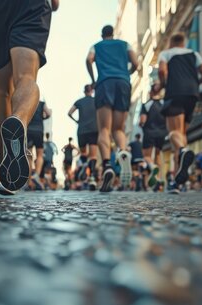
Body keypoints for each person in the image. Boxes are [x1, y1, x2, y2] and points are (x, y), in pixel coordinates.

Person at [0, 0, 59, 196]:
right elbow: (55, 3)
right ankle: (19, 120)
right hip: (31, 6)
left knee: (2, 92)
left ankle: (7, 169)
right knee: (26, 77)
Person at [156, 33, 202, 194]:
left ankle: (182, 151)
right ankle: (177, 182)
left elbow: (161, 71)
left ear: (171, 42)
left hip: (175, 93)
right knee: (182, 134)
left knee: (174, 132)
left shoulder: (166, 53)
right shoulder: (194, 54)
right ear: (184, 42)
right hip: (193, 95)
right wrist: (195, 83)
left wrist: (164, 84)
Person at [86, 25, 139, 192]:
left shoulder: (97, 46)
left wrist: (93, 78)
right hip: (123, 83)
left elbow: (88, 59)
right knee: (118, 129)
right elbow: (136, 62)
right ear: (113, 33)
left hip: (104, 83)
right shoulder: (125, 45)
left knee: (104, 129)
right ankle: (123, 153)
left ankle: (108, 164)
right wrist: (127, 73)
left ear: (102, 35)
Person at [68, 85, 99, 186]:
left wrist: (77, 121)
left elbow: (69, 112)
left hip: (82, 130)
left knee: (84, 154)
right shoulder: (96, 101)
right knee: (93, 155)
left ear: (84, 91)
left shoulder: (79, 101)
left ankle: (85, 165)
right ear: (92, 91)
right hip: (94, 129)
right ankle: (92, 177)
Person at [139, 84, 166, 190]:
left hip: (150, 131)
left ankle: (152, 166)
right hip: (162, 133)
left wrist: (141, 124)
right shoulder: (164, 104)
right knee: (158, 154)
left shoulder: (146, 105)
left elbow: (142, 120)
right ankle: (158, 179)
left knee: (146, 156)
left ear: (151, 92)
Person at [27, 100, 52, 190]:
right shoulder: (41, 103)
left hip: (28, 130)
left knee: (29, 156)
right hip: (39, 130)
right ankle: (36, 175)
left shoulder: (27, 102)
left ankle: (28, 181)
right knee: (40, 155)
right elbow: (48, 114)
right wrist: (42, 117)